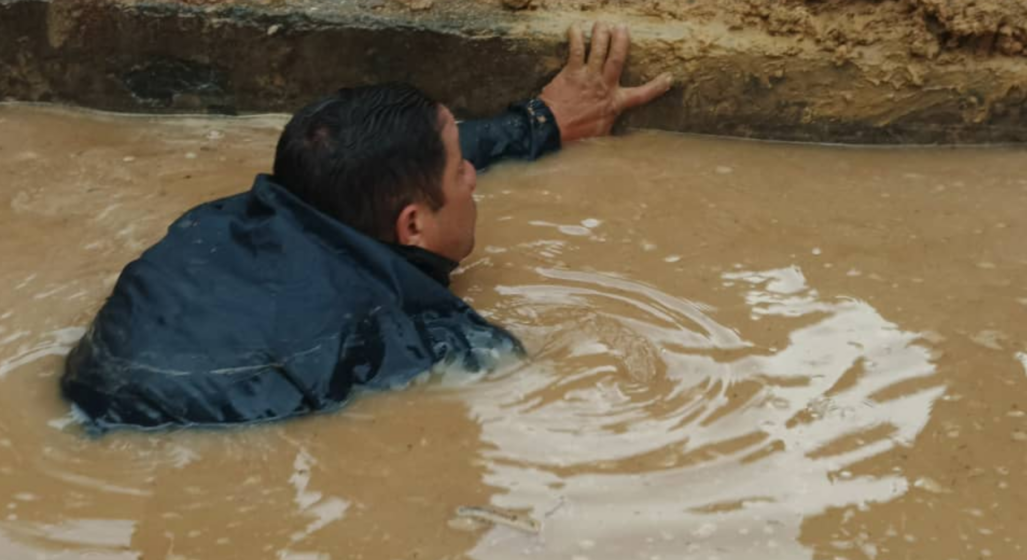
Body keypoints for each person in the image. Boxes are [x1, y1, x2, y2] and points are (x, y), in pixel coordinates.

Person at [61, 23, 672, 432]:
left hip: (88, 389)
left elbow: (398, 159)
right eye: (461, 170)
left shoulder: (224, 218)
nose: (473, 178)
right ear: (412, 224)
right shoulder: (416, 335)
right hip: (193, 436)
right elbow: (526, 385)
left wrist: (540, 123)